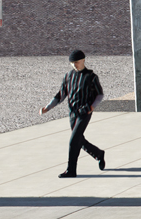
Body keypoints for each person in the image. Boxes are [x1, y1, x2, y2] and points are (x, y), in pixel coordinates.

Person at [40, 49, 106, 178]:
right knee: (78, 140)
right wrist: (47, 107)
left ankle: (71, 170)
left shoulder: (91, 77)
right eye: (72, 63)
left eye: (77, 62)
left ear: (83, 60)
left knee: (73, 141)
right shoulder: (68, 76)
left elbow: (100, 94)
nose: (74, 65)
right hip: (72, 113)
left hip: (85, 112)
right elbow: (61, 95)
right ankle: (98, 153)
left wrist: (92, 107)